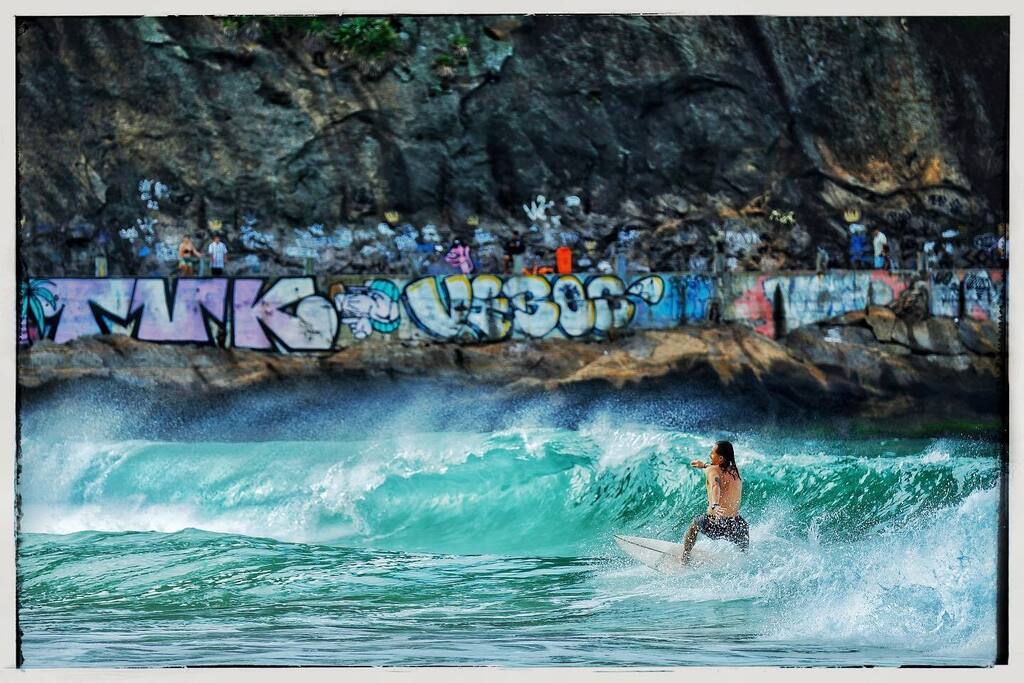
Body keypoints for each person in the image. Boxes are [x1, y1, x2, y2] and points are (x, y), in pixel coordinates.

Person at [681, 440, 748, 564]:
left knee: (695, 524)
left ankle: (684, 559)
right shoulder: (735, 471)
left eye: (712, 453)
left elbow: (715, 485)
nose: (709, 455)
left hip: (717, 523)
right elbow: (717, 469)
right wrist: (704, 465)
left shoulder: (712, 471)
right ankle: (743, 561)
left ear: (721, 458)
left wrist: (715, 504)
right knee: (744, 554)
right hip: (737, 525)